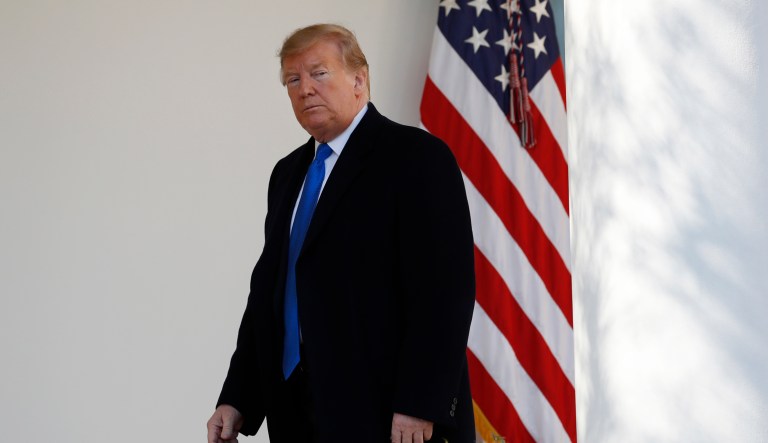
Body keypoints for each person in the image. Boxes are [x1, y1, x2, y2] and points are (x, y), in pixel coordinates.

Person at [206, 23, 476, 443]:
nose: (304, 89)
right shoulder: (288, 174)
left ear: (359, 79)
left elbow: (444, 294)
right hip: (295, 412)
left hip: (389, 414)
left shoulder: (417, 158)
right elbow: (270, 295)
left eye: (318, 73)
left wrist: (421, 402)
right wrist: (237, 397)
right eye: (292, 79)